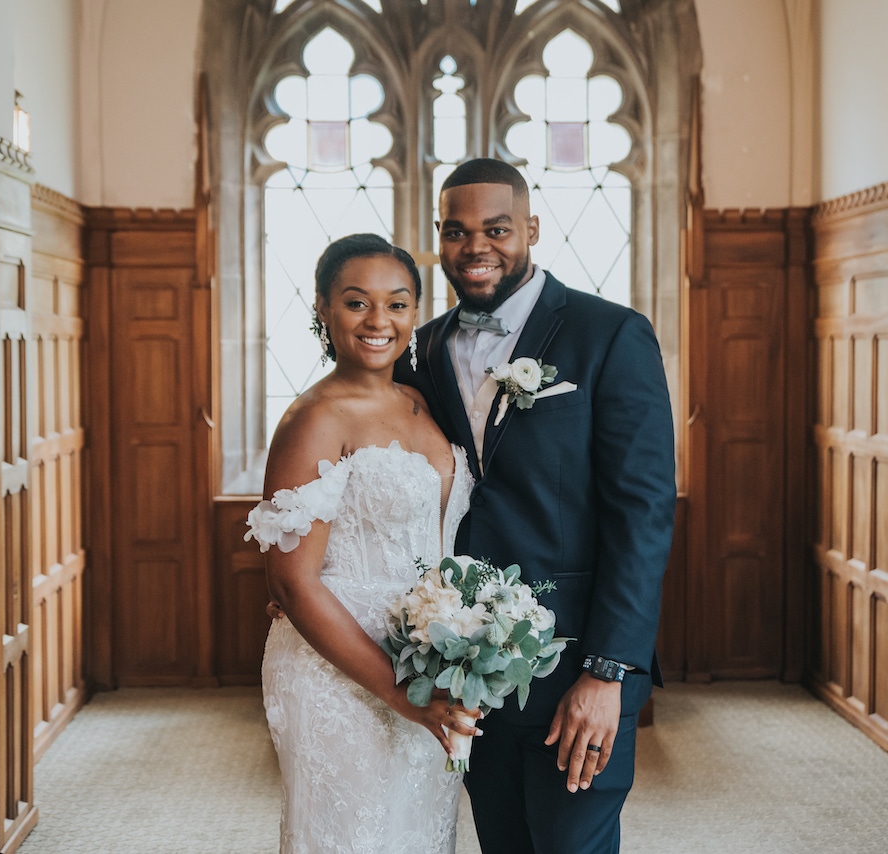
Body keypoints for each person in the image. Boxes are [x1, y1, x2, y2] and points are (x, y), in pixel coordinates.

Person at [394, 158, 677, 854]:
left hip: (577, 667)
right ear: (439, 237)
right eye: (456, 232)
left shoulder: (609, 334)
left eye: (496, 229)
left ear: (532, 229)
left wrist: (608, 671)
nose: (476, 247)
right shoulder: (422, 348)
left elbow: (642, 513)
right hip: (467, 669)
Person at [251, 233, 479, 853]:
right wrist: (401, 694)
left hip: (428, 658)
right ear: (322, 309)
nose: (379, 320)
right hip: (340, 672)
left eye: (398, 303)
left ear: (415, 312)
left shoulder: (419, 400)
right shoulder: (315, 418)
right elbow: (292, 583)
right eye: (357, 303)